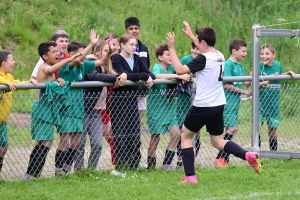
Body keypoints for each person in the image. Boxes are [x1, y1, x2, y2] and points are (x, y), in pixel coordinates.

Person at [166, 21, 263, 184]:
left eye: (198, 41)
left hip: (203, 105)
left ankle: (191, 177)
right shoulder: (219, 55)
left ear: (203, 43)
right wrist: (192, 36)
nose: (196, 44)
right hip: (218, 105)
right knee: (218, 141)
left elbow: (180, 70)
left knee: (185, 135)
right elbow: (204, 47)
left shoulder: (203, 59)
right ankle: (248, 155)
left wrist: (171, 49)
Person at [55, 30, 112, 175]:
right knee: (65, 141)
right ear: (74, 54)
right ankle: (58, 171)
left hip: (79, 109)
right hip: (67, 109)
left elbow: (102, 61)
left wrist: (109, 52)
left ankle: (67, 170)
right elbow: (75, 60)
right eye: (82, 53)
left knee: (75, 143)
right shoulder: (66, 64)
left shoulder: (84, 65)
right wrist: (91, 44)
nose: (85, 56)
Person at [22, 42, 81, 180]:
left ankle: (32, 174)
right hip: (42, 110)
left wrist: (59, 79)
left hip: (49, 110)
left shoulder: (50, 67)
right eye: (53, 52)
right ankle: (30, 175)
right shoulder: (44, 67)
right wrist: (68, 59)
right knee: (45, 142)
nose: (57, 54)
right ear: (45, 56)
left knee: (45, 142)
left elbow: (53, 76)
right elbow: (49, 71)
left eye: (57, 51)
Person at [74, 40, 125, 174]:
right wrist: (116, 78)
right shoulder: (90, 61)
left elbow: (111, 74)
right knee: (80, 143)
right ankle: (79, 171)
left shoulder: (104, 64)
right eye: (105, 50)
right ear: (97, 52)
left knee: (97, 144)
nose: (109, 53)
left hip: (97, 110)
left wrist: (121, 75)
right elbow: (94, 76)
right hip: (83, 109)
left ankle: (90, 170)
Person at [111, 33, 154, 170]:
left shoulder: (136, 58)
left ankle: (134, 163)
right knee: (121, 134)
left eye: (135, 45)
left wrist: (148, 76)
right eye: (131, 44)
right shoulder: (116, 58)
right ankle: (122, 164)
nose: (134, 47)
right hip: (119, 101)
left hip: (132, 100)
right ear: (122, 45)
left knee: (134, 132)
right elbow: (123, 75)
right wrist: (142, 76)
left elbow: (148, 73)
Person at [146, 44, 190, 171]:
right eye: (167, 54)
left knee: (176, 134)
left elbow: (182, 72)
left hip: (170, 109)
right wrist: (177, 76)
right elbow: (156, 76)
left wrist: (185, 76)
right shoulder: (157, 67)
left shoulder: (172, 68)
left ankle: (166, 163)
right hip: (157, 109)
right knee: (156, 136)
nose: (171, 56)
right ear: (160, 57)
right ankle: (151, 164)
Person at [214, 39, 251, 167]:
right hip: (227, 103)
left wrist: (253, 76)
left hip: (235, 104)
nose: (245, 53)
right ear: (234, 51)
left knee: (228, 130)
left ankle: (224, 159)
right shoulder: (228, 64)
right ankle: (220, 157)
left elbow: (246, 82)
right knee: (232, 129)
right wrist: (243, 91)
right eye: (243, 51)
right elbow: (227, 85)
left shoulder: (239, 66)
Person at [0, 50, 36, 174]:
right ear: (4, 63)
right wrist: (5, 83)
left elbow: (16, 84)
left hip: (2, 121)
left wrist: (29, 83)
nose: (14, 62)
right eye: (12, 60)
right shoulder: (3, 79)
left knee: (3, 147)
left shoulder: (8, 77)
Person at [258, 44, 295, 151]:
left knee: (272, 132)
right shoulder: (259, 66)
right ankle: (256, 154)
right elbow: (253, 84)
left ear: (274, 55)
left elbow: (278, 75)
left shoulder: (277, 65)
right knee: (256, 129)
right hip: (260, 105)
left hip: (273, 105)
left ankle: (273, 154)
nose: (264, 56)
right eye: (262, 54)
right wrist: (268, 81)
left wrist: (286, 74)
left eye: (267, 54)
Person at [125, 16, 150, 169]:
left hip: (141, 93)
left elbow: (145, 68)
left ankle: (136, 158)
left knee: (136, 126)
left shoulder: (144, 48)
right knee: (126, 126)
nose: (134, 31)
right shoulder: (123, 49)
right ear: (126, 31)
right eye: (131, 29)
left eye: (136, 28)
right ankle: (125, 158)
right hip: (126, 93)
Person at [176, 42, 201, 169]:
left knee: (197, 130)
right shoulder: (186, 60)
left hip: (199, 99)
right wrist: (189, 75)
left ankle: (193, 156)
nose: (195, 51)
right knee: (183, 129)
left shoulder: (205, 60)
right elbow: (178, 71)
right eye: (193, 48)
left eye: (198, 49)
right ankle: (180, 159)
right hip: (184, 99)